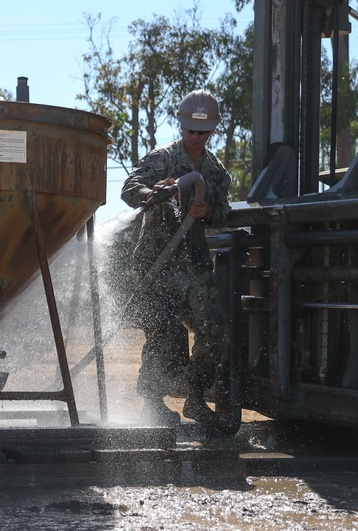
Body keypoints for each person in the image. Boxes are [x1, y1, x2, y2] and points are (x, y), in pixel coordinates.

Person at [119, 89, 231, 427]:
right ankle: (152, 404)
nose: (195, 137)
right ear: (181, 127)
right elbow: (129, 187)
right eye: (190, 131)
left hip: (193, 261)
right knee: (163, 332)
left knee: (214, 329)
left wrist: (208, 209)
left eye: (203, 132)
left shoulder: (215, 171)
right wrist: (151, 193)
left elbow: (224, 210)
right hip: (156, 260)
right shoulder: (162, 158)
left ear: (212, 131)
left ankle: (195, 398)